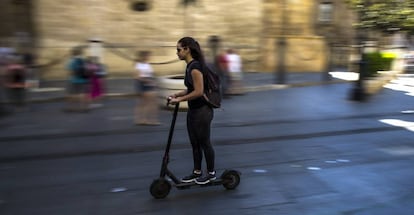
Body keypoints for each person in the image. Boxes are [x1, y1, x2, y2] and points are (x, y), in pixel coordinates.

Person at [168, 37, 216, 185]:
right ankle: (197, 172)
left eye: (178, 49)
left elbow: (199, 91)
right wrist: (177, 94)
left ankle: (211, 173)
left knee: (204, 143)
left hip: (202, 111)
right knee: (194, 143)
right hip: (194, 110)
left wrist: (179, 100)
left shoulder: (195, 67)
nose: (177, 53)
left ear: (187, 49)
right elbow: (191, 89)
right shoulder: (189, 66)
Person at [134, 50, 160, 125]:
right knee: (150, 103)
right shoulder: (139, 65)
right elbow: (137, 76)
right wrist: (149, 82)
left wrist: (153, 81)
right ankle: (150, 120)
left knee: (145, 103)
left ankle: (142, 120)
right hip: (145, 84)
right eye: (148, 56)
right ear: (144, 56)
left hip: (148, 83)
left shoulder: (147, 64)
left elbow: (150, 74)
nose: (149, 57)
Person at [64, 47, 89, 112]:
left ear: (72, 53)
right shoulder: (83, 61)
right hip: (83, 80)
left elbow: (70, 71)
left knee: (72, 94)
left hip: (73, 80)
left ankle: (71, 108)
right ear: (80, 53)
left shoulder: (71, 61)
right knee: (82, 94)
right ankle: (83, 108)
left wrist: (69, 77)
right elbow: (87, 70)